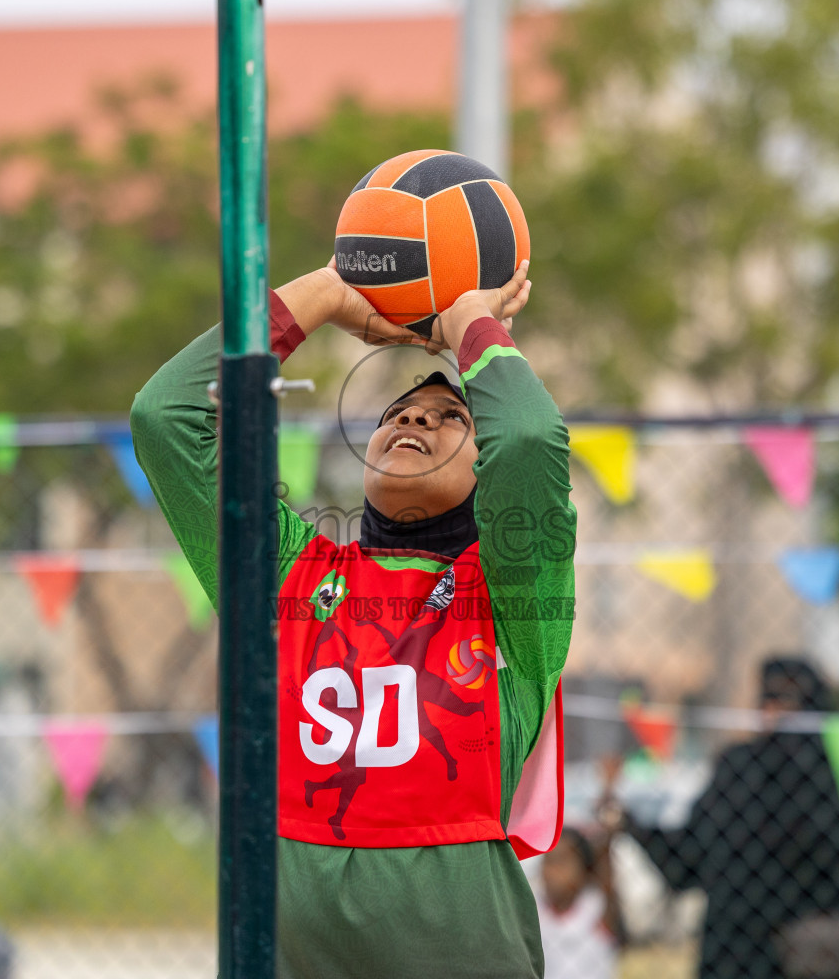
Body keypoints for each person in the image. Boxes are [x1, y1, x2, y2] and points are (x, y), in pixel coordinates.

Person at [130, 256, 577, 978]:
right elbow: (167, 418)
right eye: (399, 414)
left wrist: (468, 322)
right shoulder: (289, 575)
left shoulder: (508, 593)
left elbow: (528, 439)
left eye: (450, 418)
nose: (414, 419)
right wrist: (324, 295)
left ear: (484, 471)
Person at [623, 658, 839, 979]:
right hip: (807, 955)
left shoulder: (739, 769)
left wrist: (633, 826)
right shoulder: (832, 776)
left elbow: (687, 858)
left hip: (735, 953)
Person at [535, 824, 625, 979]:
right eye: (547, 861)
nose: (551, 872)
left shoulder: (597, 906)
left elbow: (607, 877)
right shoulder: (535, 909)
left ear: (584, 868)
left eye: (561, 862)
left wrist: (608, 836)